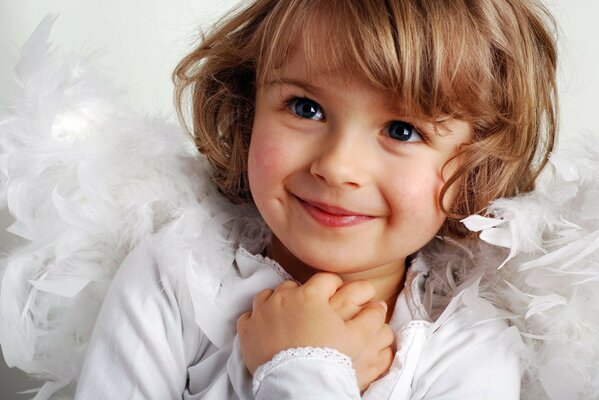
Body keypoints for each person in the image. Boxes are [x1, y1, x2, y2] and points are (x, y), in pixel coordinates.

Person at [0, 0, 562, 399]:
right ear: (248, 107)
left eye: (403, 130)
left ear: (475, 167)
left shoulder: (471, 347)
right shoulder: (170, 278)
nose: (338, 166)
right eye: (305, 108)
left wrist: (302, 367)